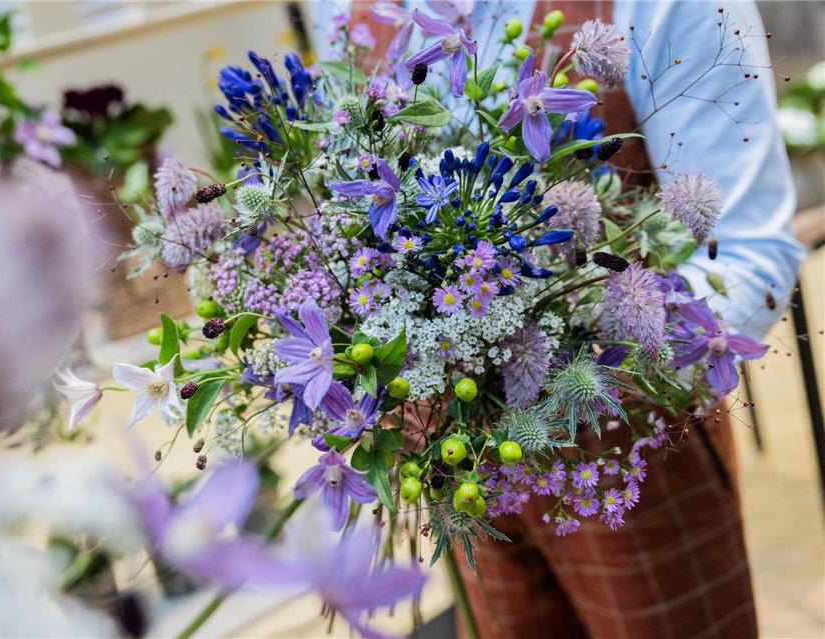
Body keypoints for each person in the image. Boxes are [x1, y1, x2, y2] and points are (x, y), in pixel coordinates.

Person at [309, 2, 805, 638]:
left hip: (625, 455)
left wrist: (594, 338)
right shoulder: (352, 11)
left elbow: (751, 248)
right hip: (453, 465)